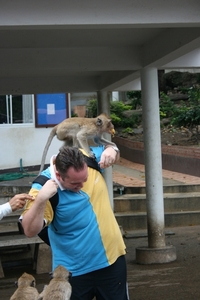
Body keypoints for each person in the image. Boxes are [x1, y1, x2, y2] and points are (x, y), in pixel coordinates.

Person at [21, 145, 129, 300]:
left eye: (85, 180)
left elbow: (111, 150)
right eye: (75, 184)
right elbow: (29, 230)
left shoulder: (88, 157)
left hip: (111, 261)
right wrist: (41, 199)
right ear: (58, 175)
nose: (82, 186)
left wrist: (113, 150)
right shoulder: (41, 187)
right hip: (71, 273)